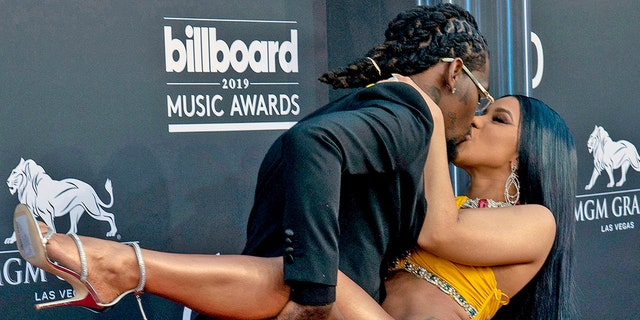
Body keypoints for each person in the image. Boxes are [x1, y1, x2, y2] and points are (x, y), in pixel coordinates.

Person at [12, 3, 492, 320]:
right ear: (454, 73)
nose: (478, 113)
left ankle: (117, 267)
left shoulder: (365, 104)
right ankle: (114, 264)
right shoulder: (408, 112)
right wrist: (315, 295)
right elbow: (315, 145)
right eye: (483, 93)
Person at [376, 94, 579, 319]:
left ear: (526, 154)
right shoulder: (447, 206)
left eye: (499, 119)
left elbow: (440, 234)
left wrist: (432, 120)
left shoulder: (539, 222)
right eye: (483, 112)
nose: (475, 120)